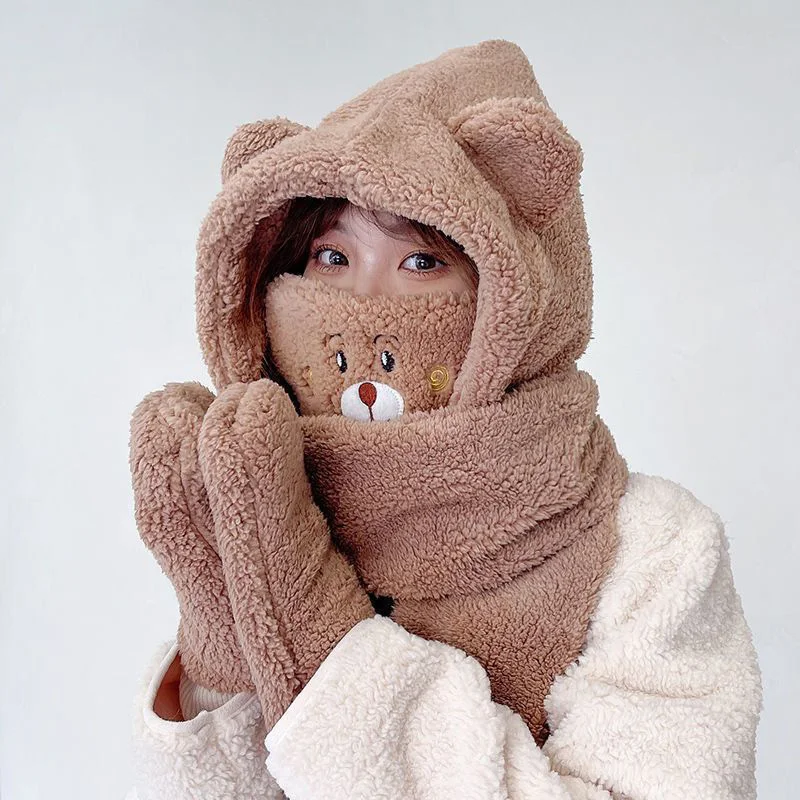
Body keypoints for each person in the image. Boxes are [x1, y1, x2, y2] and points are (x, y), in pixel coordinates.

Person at [126, 39, 762, 799]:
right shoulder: (266, 493)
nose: (360, 305)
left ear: (518, 298)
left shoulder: (656, 552)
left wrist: (324, 647)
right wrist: (219, 643)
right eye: (330, 256)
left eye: (421, 261)